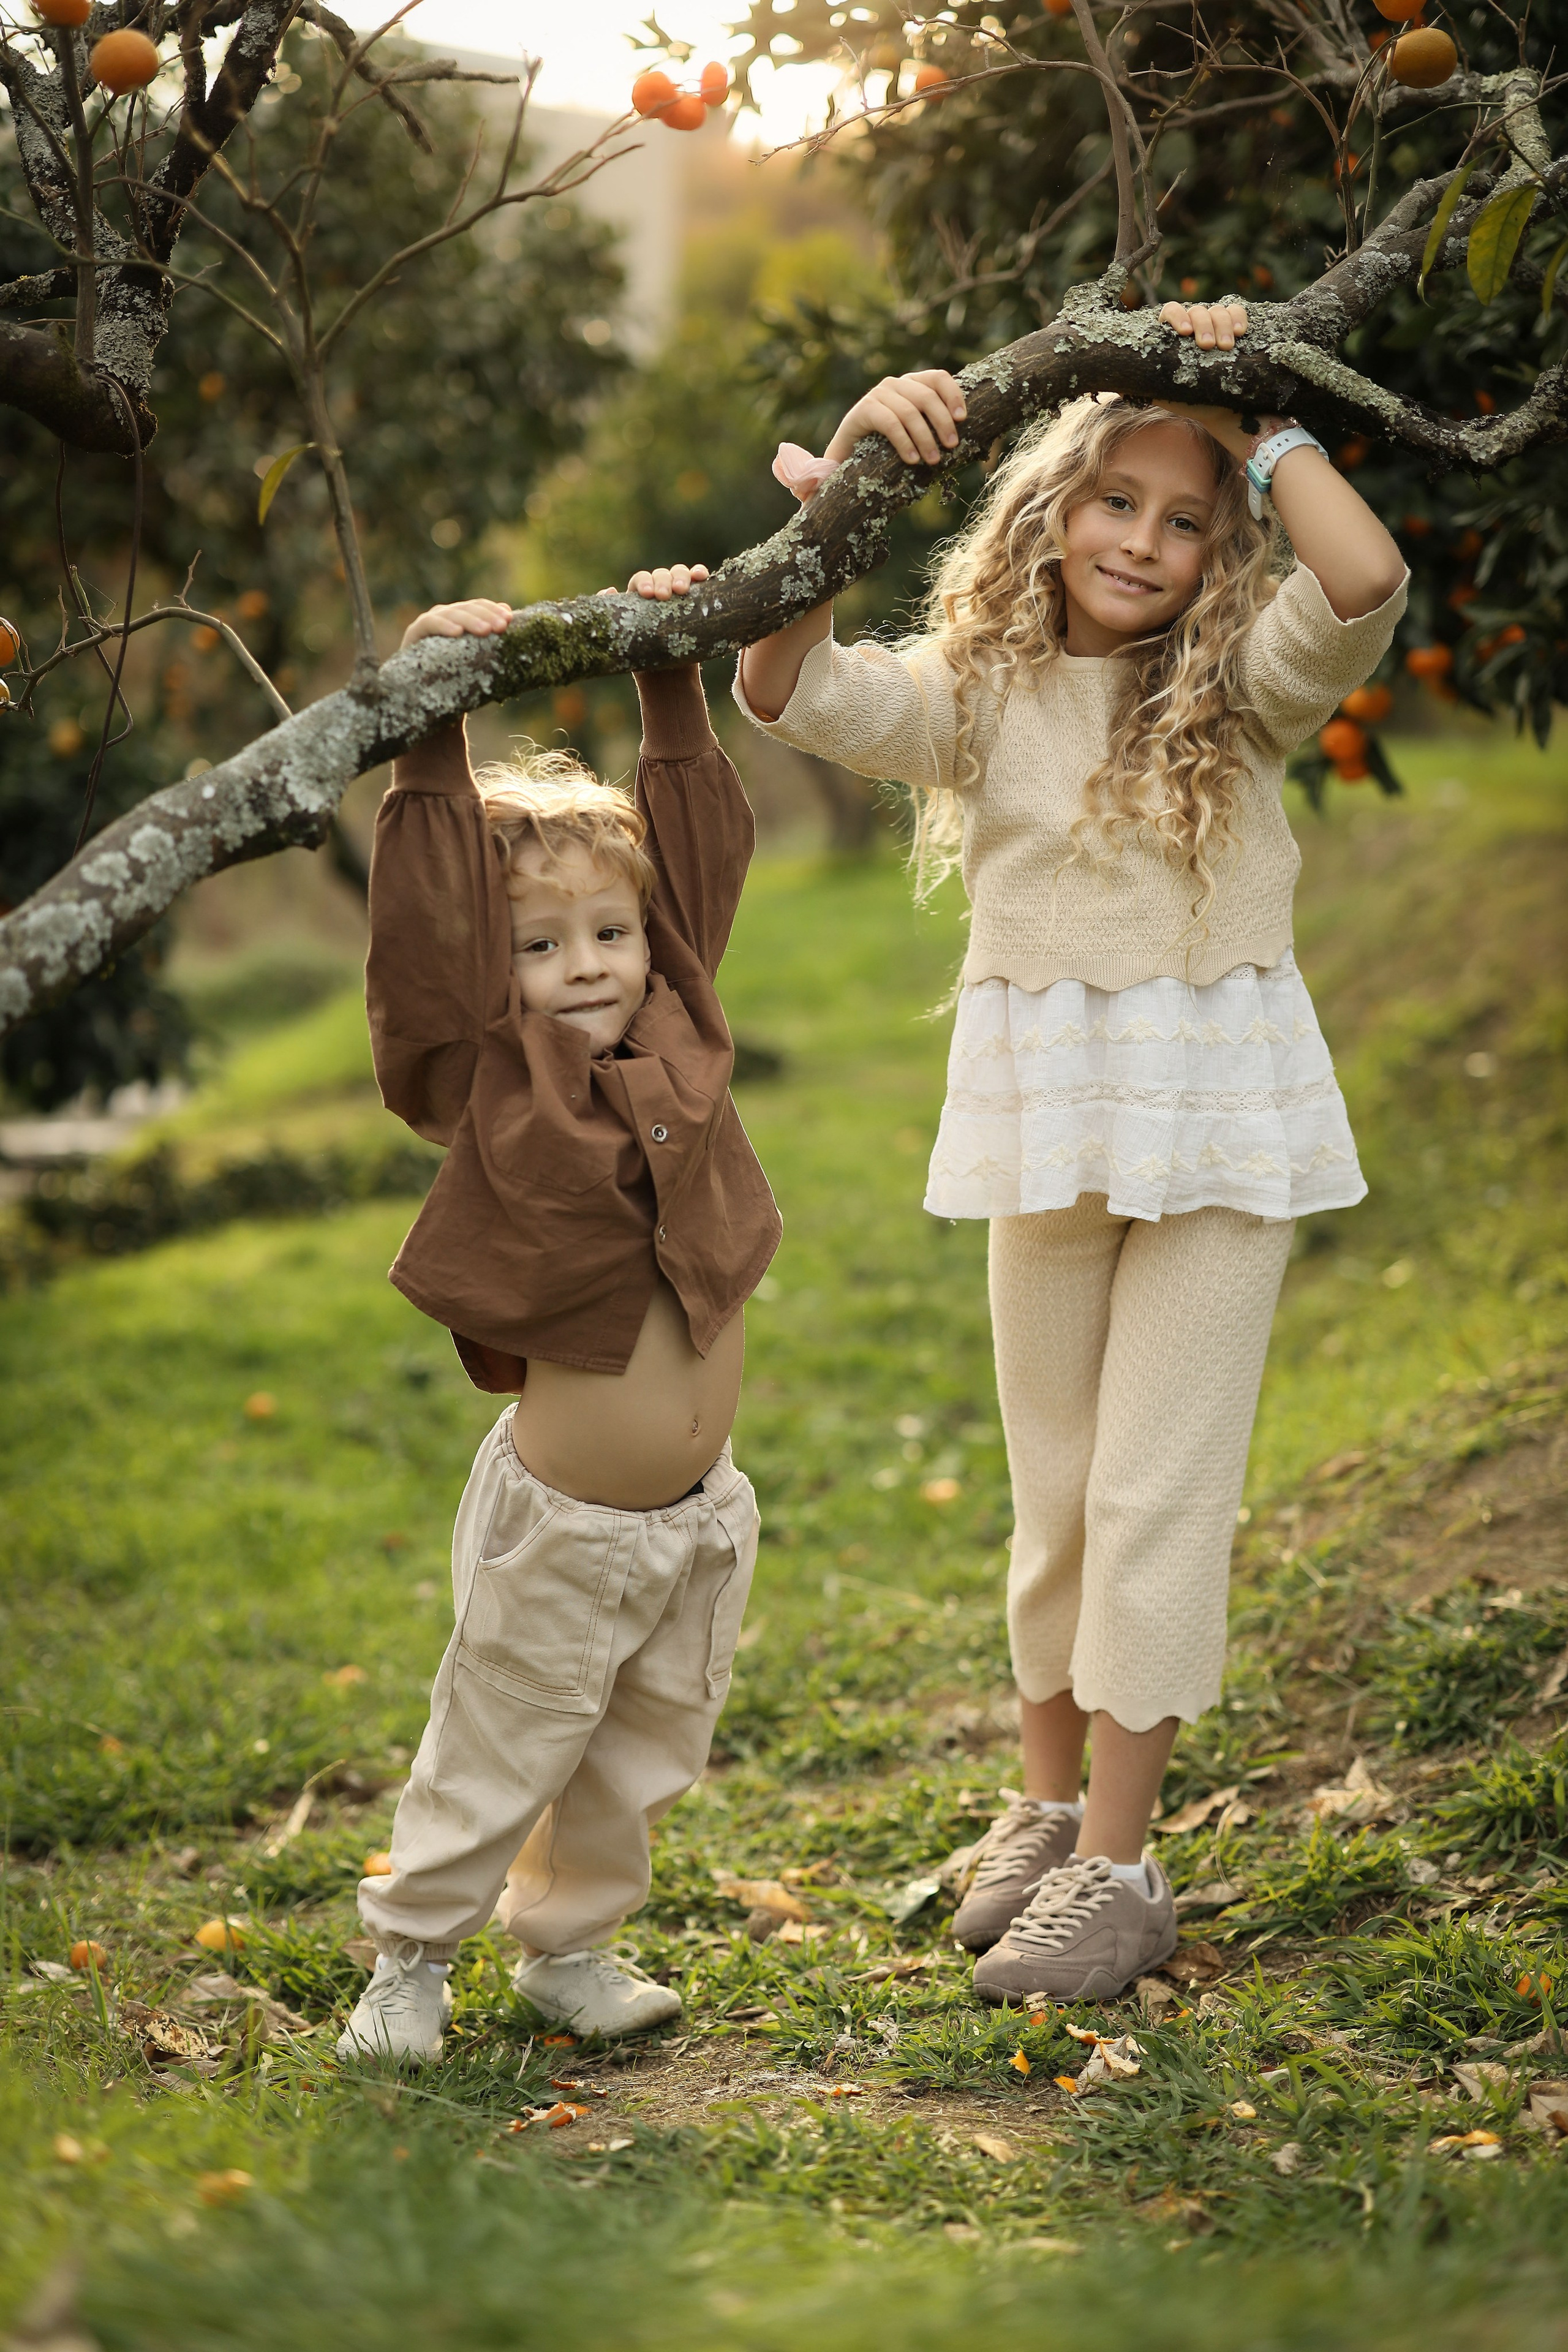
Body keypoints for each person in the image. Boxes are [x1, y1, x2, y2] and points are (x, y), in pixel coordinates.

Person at [737, 300, 1407, 2005]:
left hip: (1224, 1133)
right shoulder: (985, 688)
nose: (1148, 543)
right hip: (1047, 1127)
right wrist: (857, 484)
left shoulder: (1240, 693)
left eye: (1188, 524)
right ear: (1052, 504)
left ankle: (1120, 1862)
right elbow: (791, 685)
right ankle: (1042, 1818)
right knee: (1052, 1498)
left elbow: (1362, 584)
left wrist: (1248, 419)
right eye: (1121, 501)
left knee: (1151, 1491)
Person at [337, 564, 780, 2064]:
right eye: (541, 945)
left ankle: (568, 1945)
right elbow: (426, 940)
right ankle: (408, 1959)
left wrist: (668, 666)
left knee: (636, 1758)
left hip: (697, 1517)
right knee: (503, 1742)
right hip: (566, 1523)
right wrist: (427, 729)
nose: (584, 964)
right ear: (498, 972)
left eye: (609, 933)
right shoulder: (485, 1074)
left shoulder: (682, 1020)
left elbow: (698, 860)